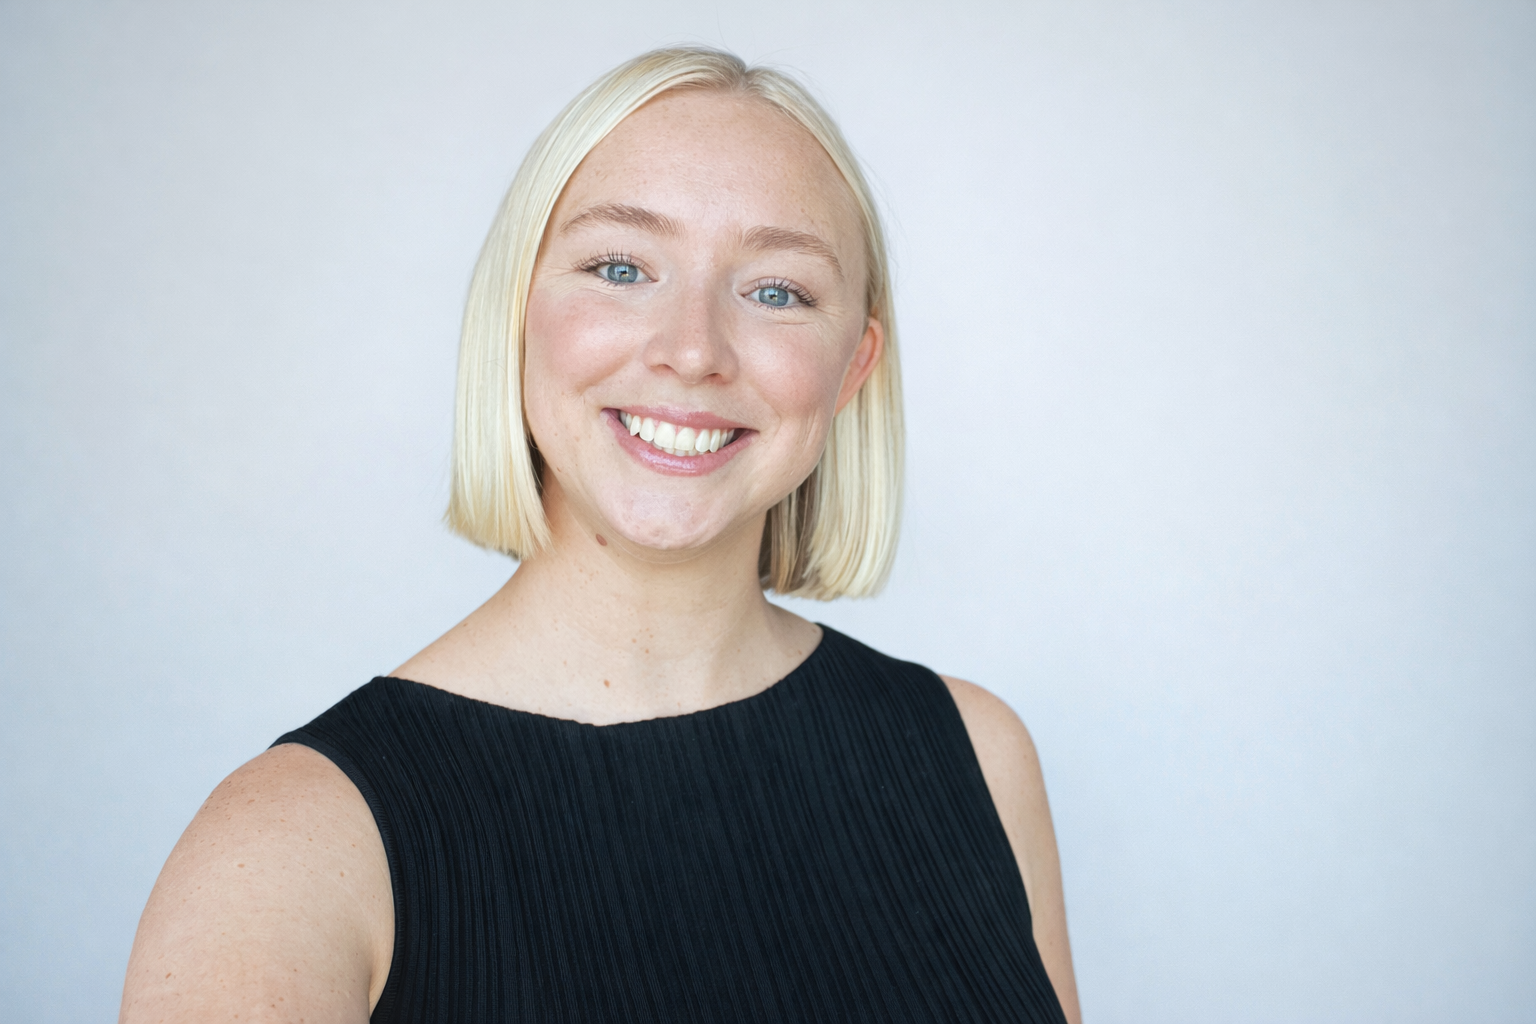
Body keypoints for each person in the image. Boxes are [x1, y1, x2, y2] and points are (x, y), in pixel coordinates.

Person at [119, 47, 1082, 1023]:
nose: (693, 350)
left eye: (777, 291)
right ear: (516, 315)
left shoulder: (976, 756)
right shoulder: (295, 849)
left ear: (853, 368)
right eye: (620, 268)